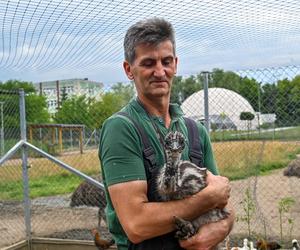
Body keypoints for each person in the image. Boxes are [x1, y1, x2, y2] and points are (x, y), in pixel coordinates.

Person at [99, 17, 235, 250]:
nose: (160, 71)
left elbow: (222, 202)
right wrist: (205, 200)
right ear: (128, 69)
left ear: (176, 64)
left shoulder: (195, 131)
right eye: (148, 63)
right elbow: (137, 225)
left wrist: (225, 225)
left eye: (166, 61)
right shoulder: (121, 129)